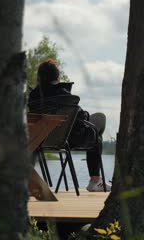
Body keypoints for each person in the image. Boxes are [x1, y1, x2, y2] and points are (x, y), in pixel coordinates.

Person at [28, 58, 110, 192]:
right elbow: (81, 117)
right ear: (57, 76)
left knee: (95, 134)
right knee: (99, 123)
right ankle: (95, 181)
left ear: (40, 77)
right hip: (68, 139)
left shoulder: (34, 97)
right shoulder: (64, 95)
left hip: (40, 140)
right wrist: (86, 115)